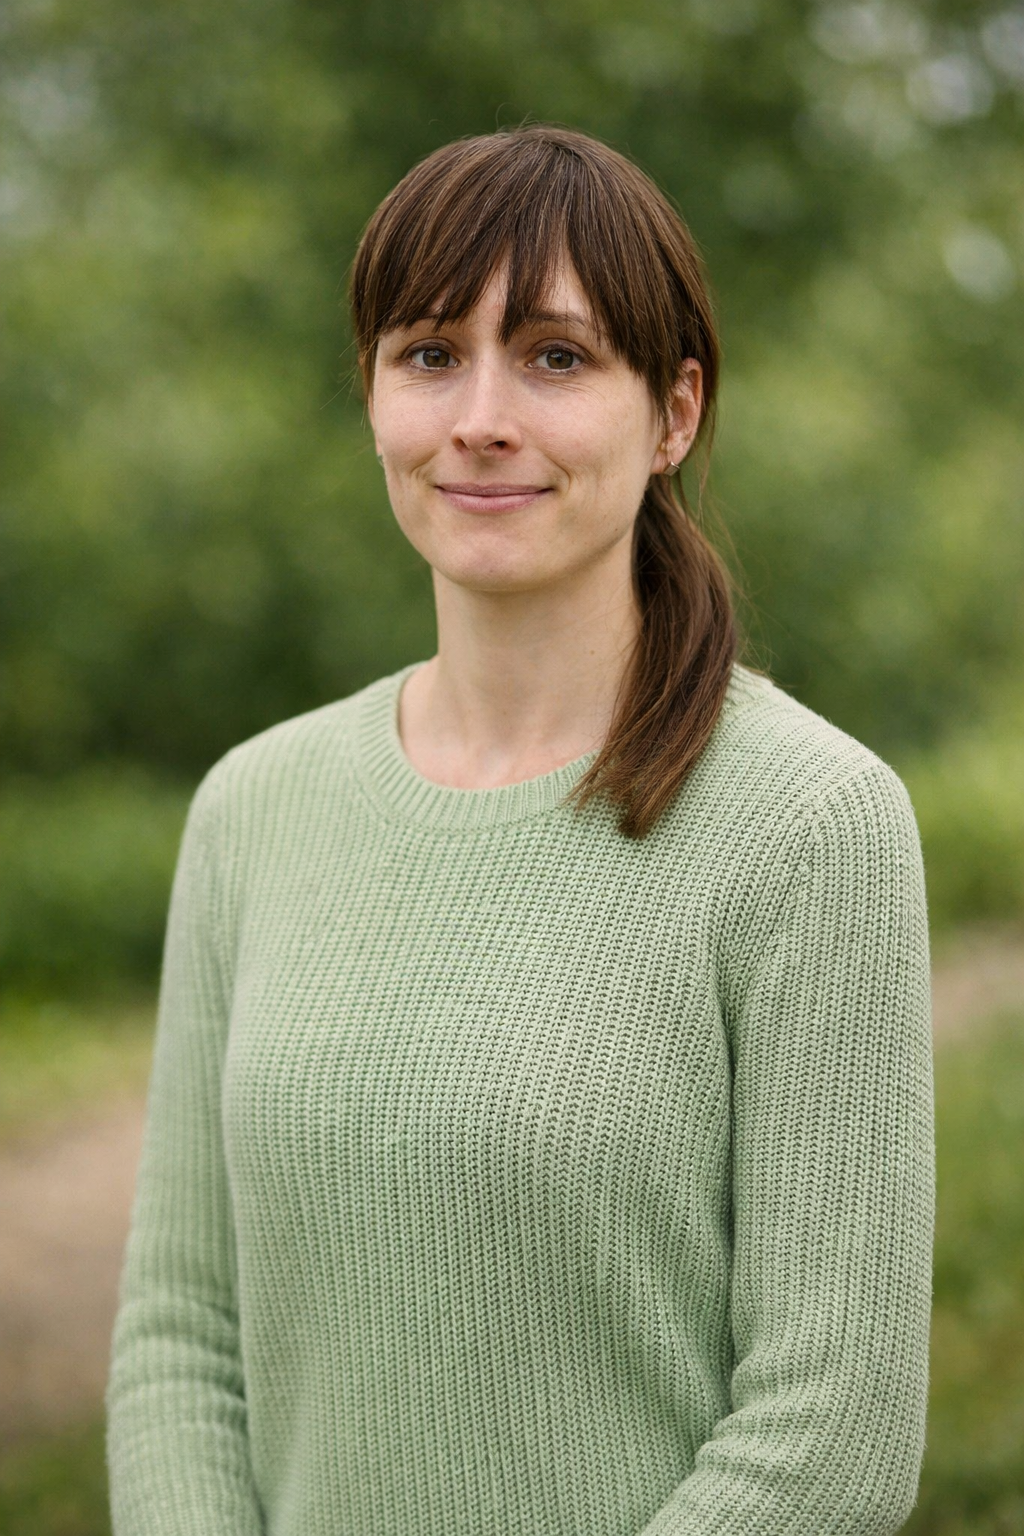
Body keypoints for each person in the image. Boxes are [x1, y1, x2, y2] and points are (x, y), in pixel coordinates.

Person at [106, 124, 935, 1536]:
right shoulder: (254, 805)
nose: (479, 415)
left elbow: (832, 1429)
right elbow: (181, 1333)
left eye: (554, 357)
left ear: (672, 412)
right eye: (429, 353)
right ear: (371, 396)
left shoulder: (813, 823)